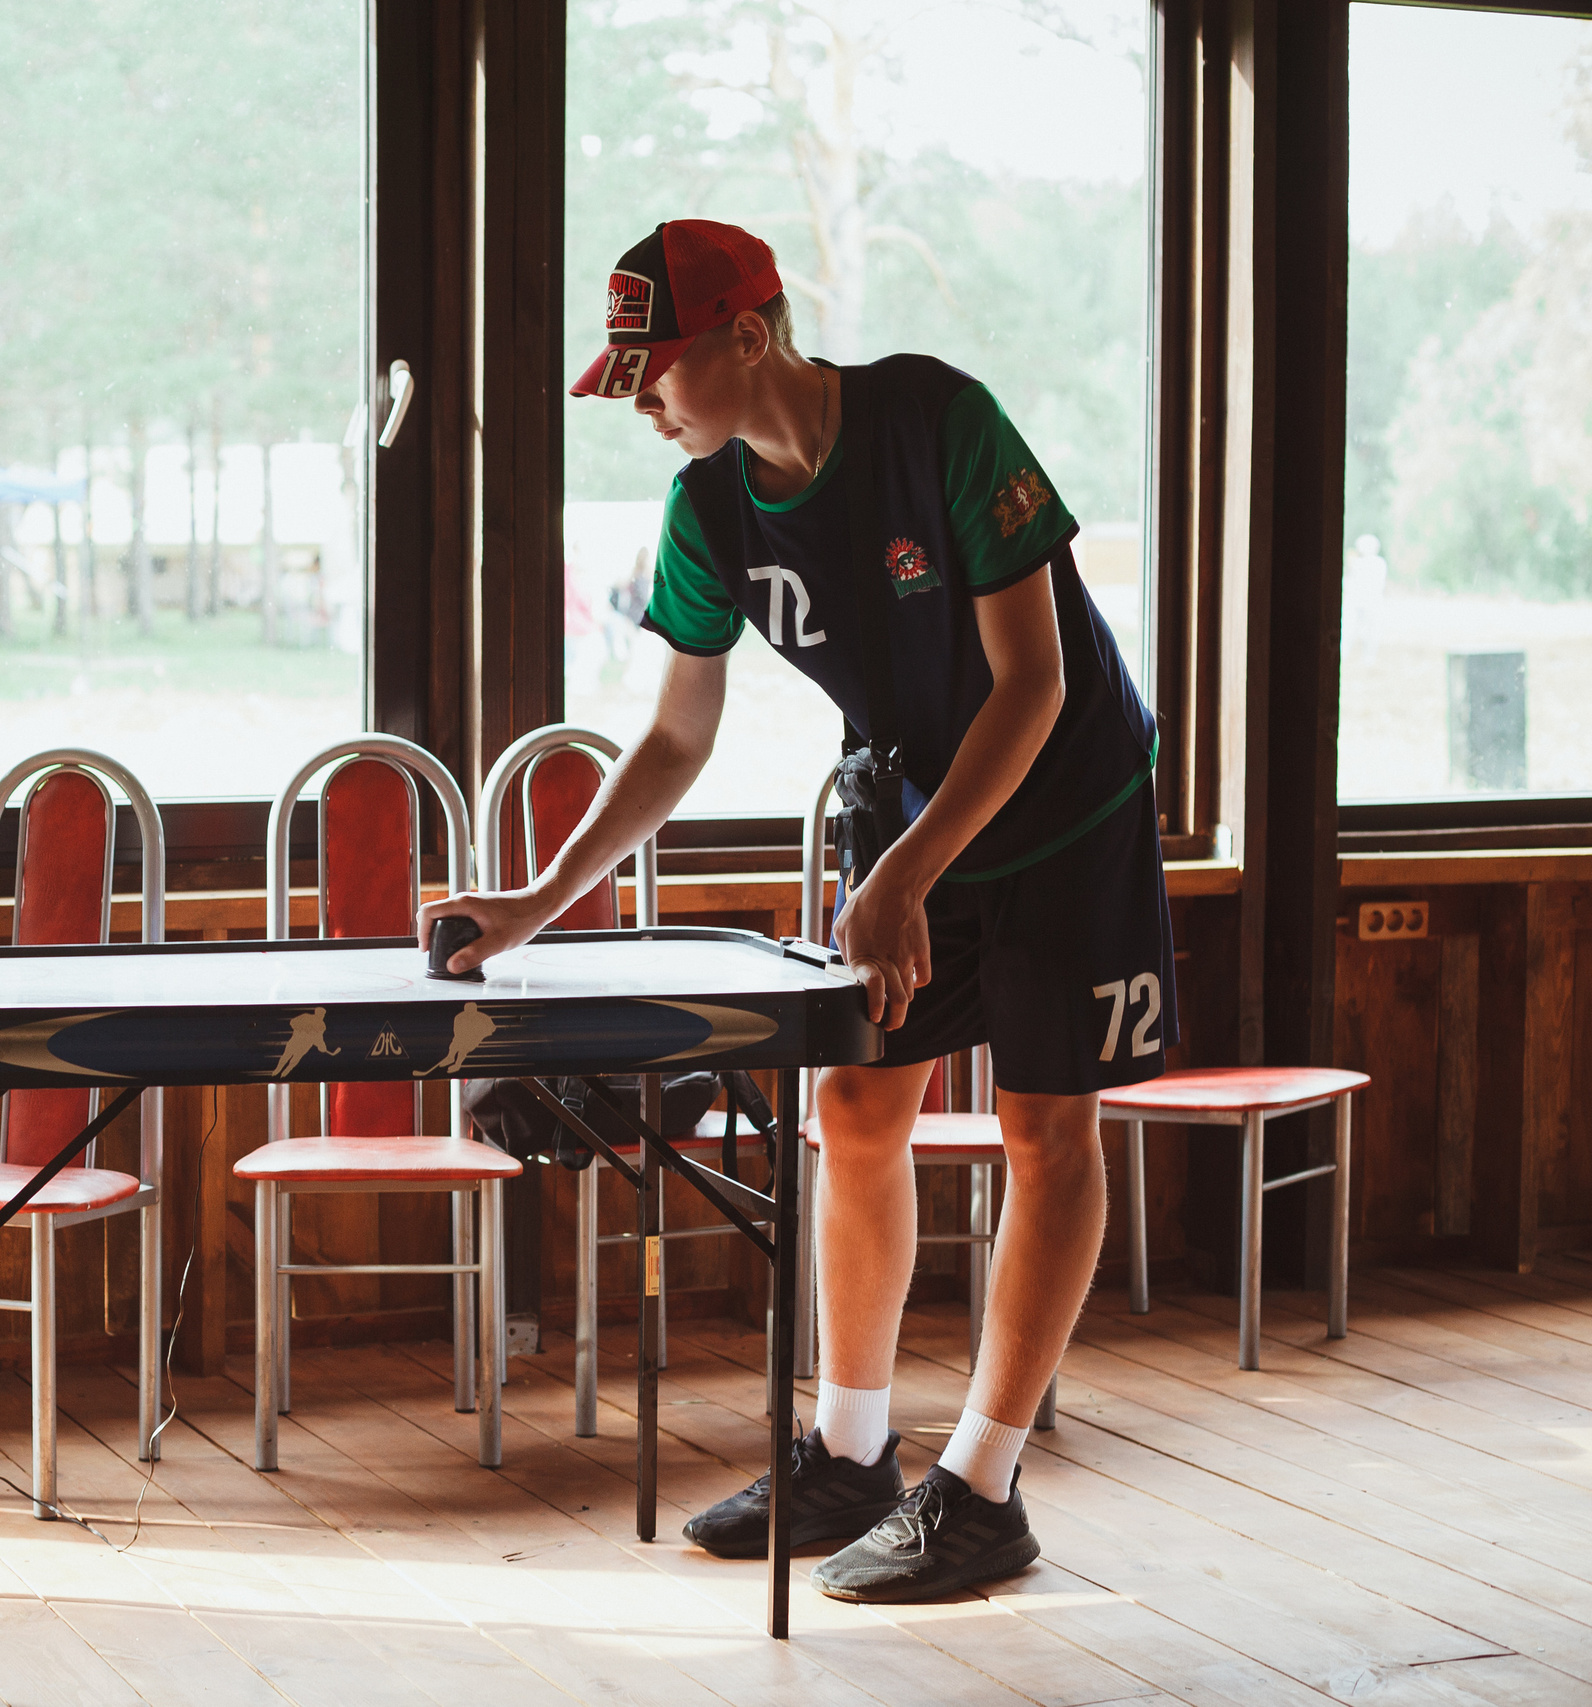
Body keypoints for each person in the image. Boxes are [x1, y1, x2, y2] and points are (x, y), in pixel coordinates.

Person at [422, 220, 1172, 1603]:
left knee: (1047, 1127)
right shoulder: (706, 507)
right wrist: (532, 903)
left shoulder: (939, 421)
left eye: (653, 374)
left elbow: (1035, 684)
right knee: (856, 1111)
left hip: (1064, 806)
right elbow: (673, 741)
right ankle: (851, 1450)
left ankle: (987, 1485)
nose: (641, 404)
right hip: (912, 812)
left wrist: (901, 879)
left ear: (748, 334)